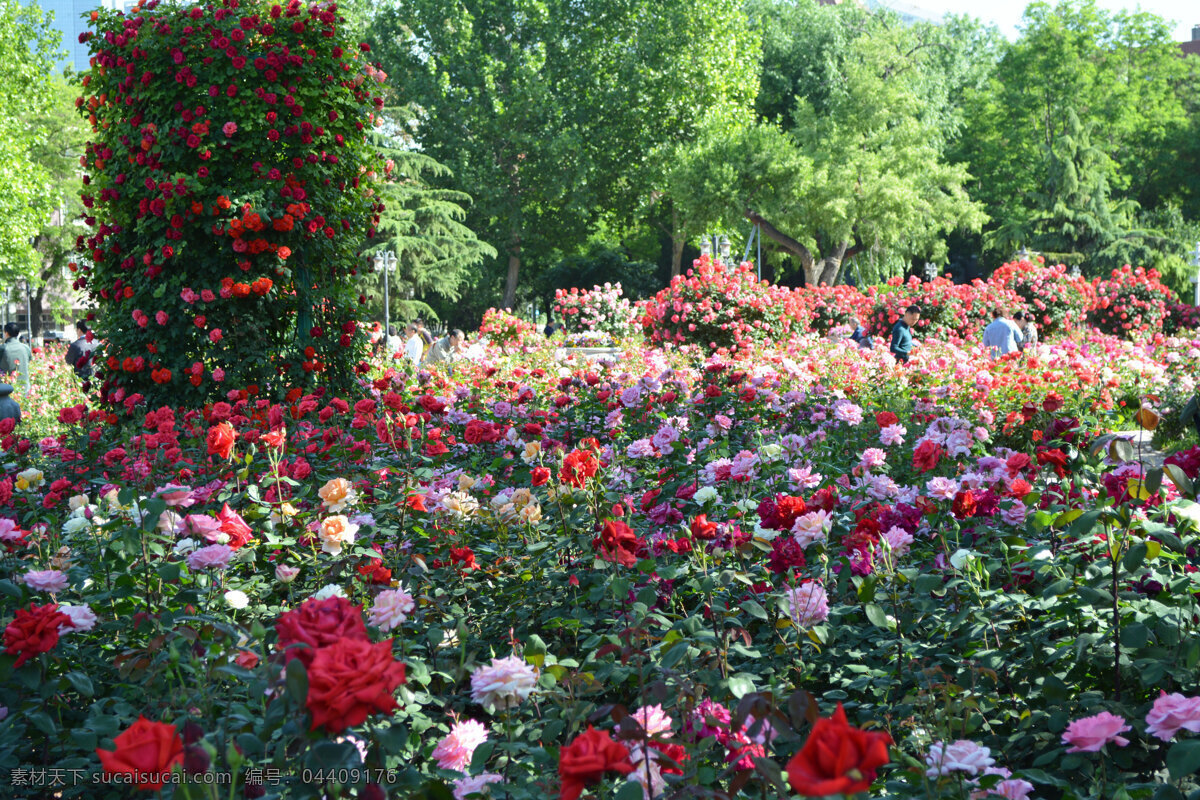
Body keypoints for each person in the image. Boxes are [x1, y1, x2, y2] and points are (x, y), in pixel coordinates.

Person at [0, 323, 32, 390]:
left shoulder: (3, 348)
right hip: (24, 389)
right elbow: (28, 361)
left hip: (6, 389)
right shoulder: (26, 348)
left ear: (6, 333)